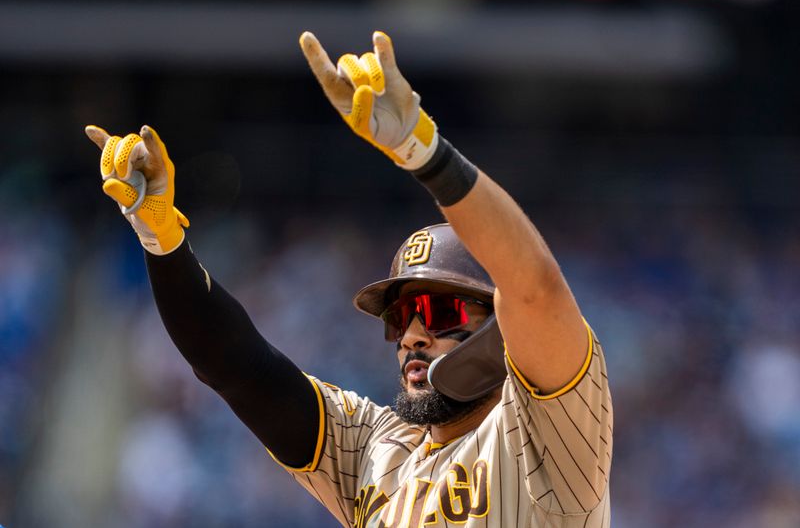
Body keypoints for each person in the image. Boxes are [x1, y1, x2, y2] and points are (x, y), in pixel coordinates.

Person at [86, 30, 612, 528]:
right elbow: (236, 367)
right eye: (401, 318)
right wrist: (164, 245)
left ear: (501, 326)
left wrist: (423, 153)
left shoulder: (547, 433)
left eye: (438, 312)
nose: (411, 336)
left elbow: (535, 287)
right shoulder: (375, 449)